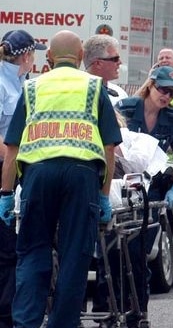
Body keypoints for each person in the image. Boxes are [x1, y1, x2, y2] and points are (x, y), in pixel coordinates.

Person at [0, 30, 122, 328]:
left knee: (31, 252)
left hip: (37, 175)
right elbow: (109, 148)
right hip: (81, 177)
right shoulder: (94, 87)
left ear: (49, 58)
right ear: (82, 57)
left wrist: (5, 193)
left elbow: (13, 148)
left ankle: (26, 323)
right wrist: (104, 196)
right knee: (75, 256)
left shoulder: (32, 89)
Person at [96, 65, 173, 328]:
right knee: (112, 251)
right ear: (150, 85)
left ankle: (138, 312)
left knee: (138, 255)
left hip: (151, 194)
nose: (167, 97)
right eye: (163, 89)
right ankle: (108, 309)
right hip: (119, 187)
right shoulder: (125, 108)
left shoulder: (172, 118)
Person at [0, 30, 46, 328]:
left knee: (10, 248)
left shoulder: (17, 82)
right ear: (26, 56)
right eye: (34, 54)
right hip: (5, 167)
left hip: (12, 169)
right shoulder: (4, 85)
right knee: (6, 250)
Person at [83, 34, 128, 105]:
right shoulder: (78, 92)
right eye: (115, 59)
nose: (120, 62)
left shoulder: (120, 94)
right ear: (98, 63)